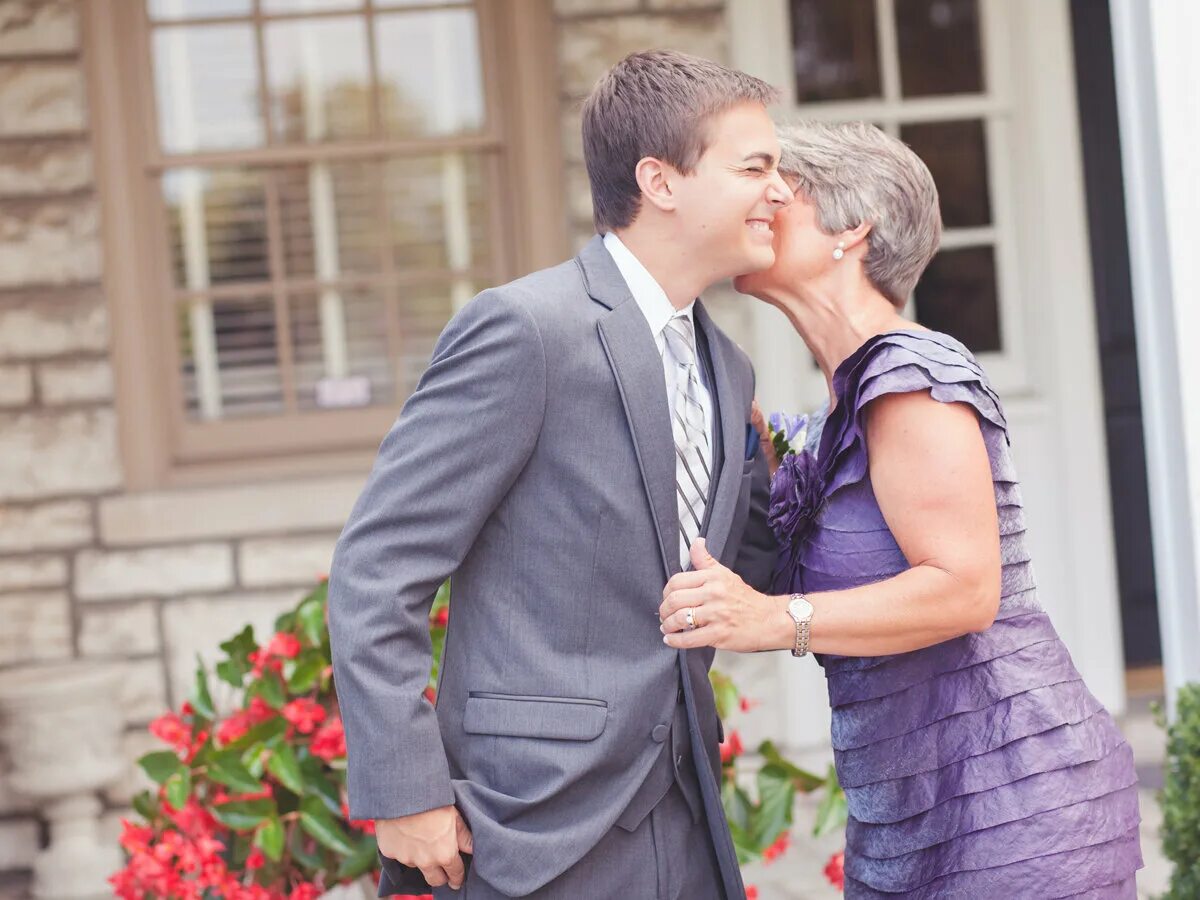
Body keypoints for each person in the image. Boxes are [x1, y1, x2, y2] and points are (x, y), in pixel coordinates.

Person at [327, 50, 792, 899]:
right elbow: (377, 568)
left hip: (682, 817)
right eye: (755, 166)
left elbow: (746, 571)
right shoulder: (525, 330)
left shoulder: (727, 368)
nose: (781, 191)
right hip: (523, 826)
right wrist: (406, 792)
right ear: (661, 180)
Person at [659, 120, 1143, 898]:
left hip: (1012, 807)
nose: (758, 205)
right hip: (905, 817)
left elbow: (963, 589)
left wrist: (772, 620)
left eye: (782, 192)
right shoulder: (826, 419)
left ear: (852, 229)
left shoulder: (912, 374)